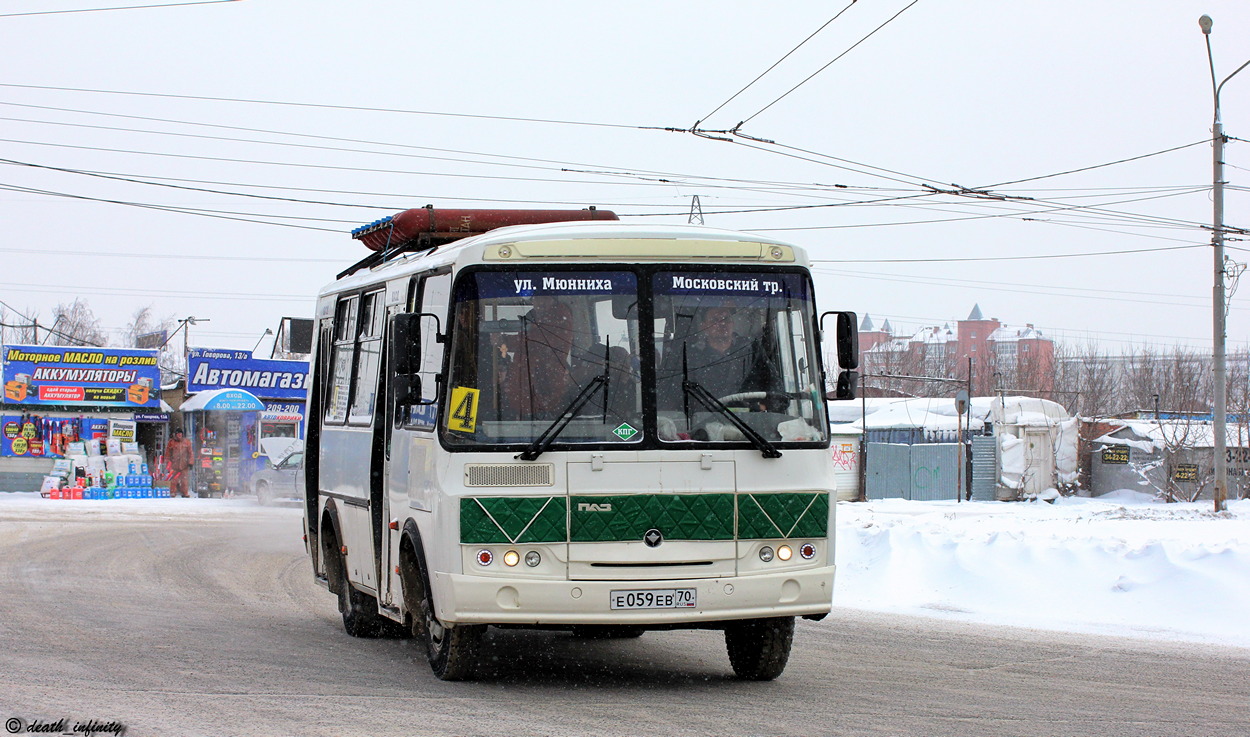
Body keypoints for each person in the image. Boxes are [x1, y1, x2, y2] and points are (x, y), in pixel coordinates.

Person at [166, 428, 193, 498]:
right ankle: (173, 492)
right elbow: (167, 453)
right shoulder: (171, 442)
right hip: (174, 464)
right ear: (175, 435)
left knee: (184, 480)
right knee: (173, 480)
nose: (179, 435)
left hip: (184, 464)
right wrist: (168, 463)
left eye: (180, 434)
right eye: (178, 434)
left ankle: (185, 493)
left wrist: (191, 462)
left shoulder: (187, 442)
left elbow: (190, 453)